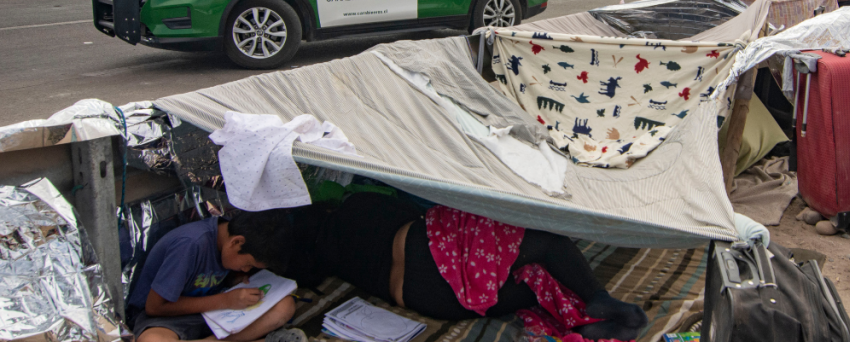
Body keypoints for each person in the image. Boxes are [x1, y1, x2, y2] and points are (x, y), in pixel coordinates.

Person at [283, 193, 648, 341]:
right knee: (542, 247)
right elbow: (418, 214)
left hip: (432, 300)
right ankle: (596, 299)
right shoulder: (355, 207)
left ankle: (590, 322)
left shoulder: (322, 262)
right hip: (430, 256)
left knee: (531, 286)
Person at [128, 210, 303, 342]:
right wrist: (224, 300)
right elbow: (155, 307)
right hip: (169, 318)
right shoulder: (190, 244)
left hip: (216, 312)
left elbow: (211, 274)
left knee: (285, 305)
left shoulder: (228, 240)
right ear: (236, 242)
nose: (245, 270)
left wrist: (233, 280)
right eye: (247, 264)